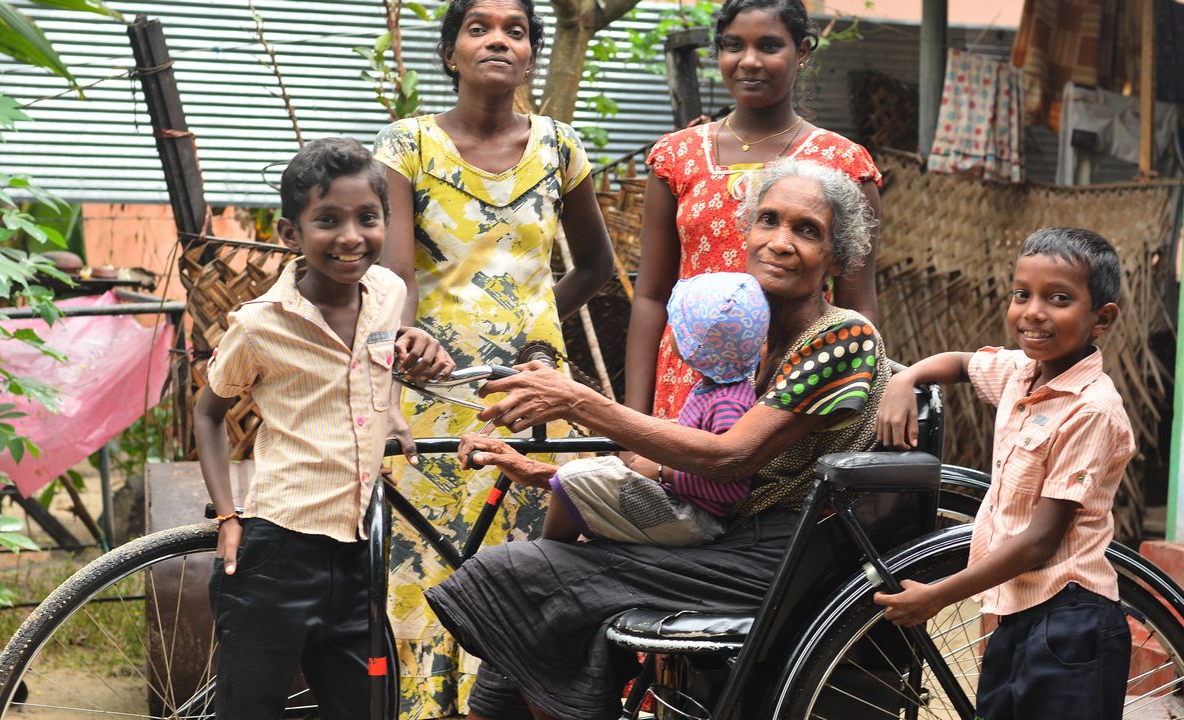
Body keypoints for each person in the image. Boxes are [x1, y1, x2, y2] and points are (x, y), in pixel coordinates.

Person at [425, 159, 890, 720]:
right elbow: (680, 459)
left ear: (837, 258)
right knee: (527, 593)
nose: (780, 242)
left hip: (781, 556)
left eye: (807, 230)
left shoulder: (844, 337)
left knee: (520, 575)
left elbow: (730, 456)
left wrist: (579, 402)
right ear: (746, 234)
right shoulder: (746, 337)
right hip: (720, 535)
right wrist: (543, 472)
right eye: (768, 221)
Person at [371, 0, 614, 712]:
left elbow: (595, 267)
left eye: (516, 29)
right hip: (433, 394)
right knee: (428, 572)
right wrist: (409, 337)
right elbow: (393, 277)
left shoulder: (559, 148)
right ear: (451, 53)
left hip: (538, 396)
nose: (499, 39)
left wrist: (530, 326)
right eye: (479, 27)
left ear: (532, 52)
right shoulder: (407, 145)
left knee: (534, 570)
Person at [192, 137, 454, 719]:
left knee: (363, 707)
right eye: (327, 221)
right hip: (277, 553)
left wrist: (389, 409)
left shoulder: (389, 292)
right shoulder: (260, 326)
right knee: (250, 709)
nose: (351, 237)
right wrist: (228, 516)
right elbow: (208, 412)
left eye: (368, 218)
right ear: (291, 234)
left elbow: (375, 361)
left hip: (358, 553)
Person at [873, 227, 1135, 720]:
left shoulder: (1092, 411)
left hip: (1070, 621)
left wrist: (938, 596)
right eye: (1022, 294)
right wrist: (906, 378)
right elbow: (960, 363)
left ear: (1102, 318)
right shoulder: (1021, 372)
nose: (1033, 311)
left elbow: (1041, 541)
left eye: (1058, 298)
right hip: (1013, 611)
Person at [624, 0, 884, 422]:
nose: (748, 62)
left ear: (802, 52)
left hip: (795, 380)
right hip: (685, 378)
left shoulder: (843, 163)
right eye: (733, 46)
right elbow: (651, 296)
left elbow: (859, 306)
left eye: (768, 46)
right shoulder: (677, 156)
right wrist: (633, 422)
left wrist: (855, 407)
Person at [489, 271, 770, 547]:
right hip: (680, 505)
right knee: (595, 470)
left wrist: (662, 471)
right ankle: (557, 548)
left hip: (694, 519)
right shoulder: (716, 387)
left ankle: (549, 552)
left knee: (575, 480)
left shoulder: (727, 402)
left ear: (692, 347)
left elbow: (732, 486)